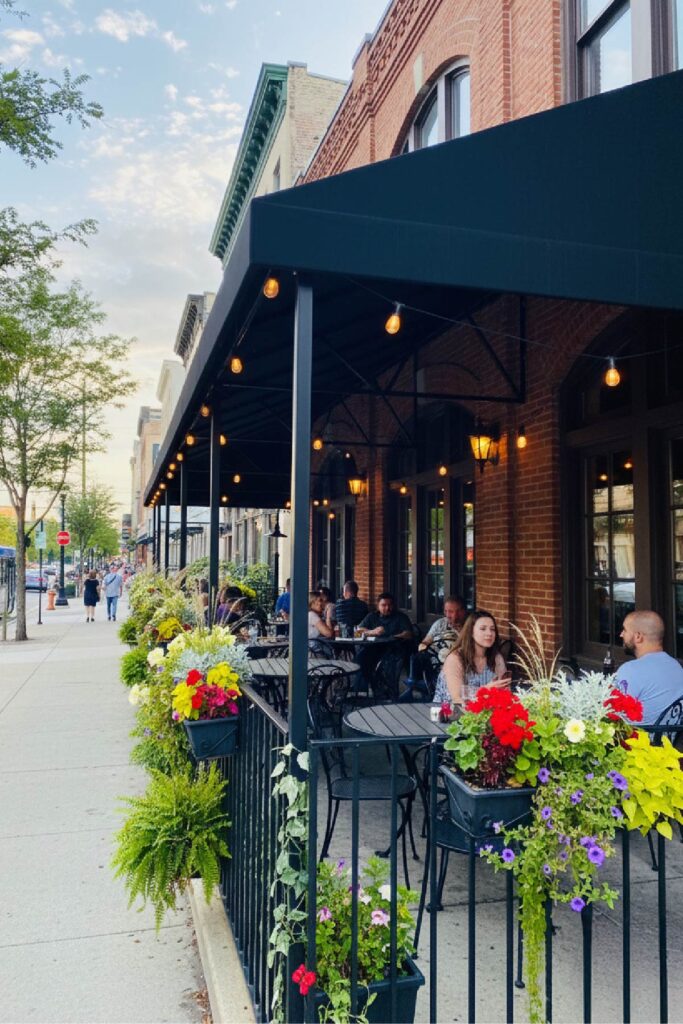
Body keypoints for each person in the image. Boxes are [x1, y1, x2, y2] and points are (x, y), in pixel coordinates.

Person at [616, 611, 683, 724]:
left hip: (638, 739)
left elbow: (614, 714)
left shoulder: (630, 670)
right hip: (669, 739)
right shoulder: (676, 666)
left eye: (625, 630)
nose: (621, 634)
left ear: (638, 637)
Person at [433, 609, 510, 706]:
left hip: (484, 713)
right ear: (471, 632)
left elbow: (505, 693)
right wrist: (486, 690)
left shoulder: (496, 658)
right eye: (483, 629)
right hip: (450, 714)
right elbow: (457, 698)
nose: (489, 633)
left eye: (492, 629)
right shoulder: (456, 658)